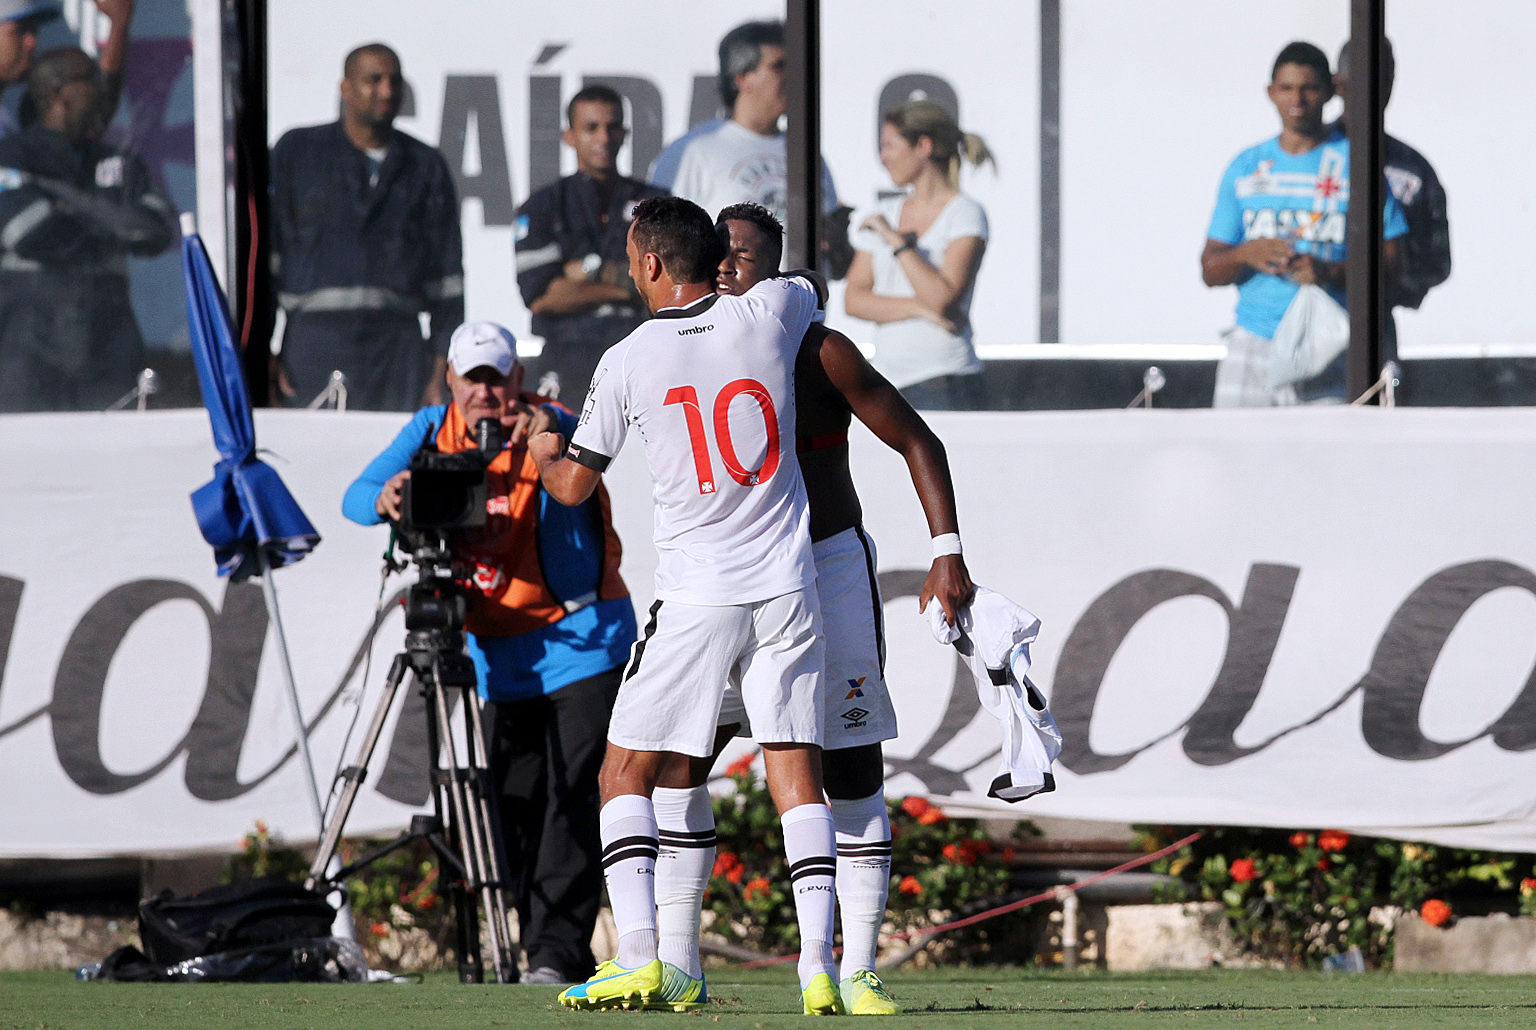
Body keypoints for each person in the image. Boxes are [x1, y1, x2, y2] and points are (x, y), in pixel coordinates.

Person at [644, 202, 975, 1015]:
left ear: (780, 270)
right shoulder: (681, 349)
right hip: (719, 580)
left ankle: (853, 969)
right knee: (680, 760)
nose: (726, 268)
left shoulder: (817, 350)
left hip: (822, 570)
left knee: (850, 766)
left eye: (745, 257)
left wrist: (947, 550)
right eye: (718, 254)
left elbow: (917, 440)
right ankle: (679, 964)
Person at [528, 196, 844, 1014]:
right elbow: (807, 281)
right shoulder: (771, 311)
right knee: (796, 778)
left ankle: (638, 954)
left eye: (634, 259)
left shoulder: (628, 357)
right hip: (787, 588)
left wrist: (540, 453)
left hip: (700, 594)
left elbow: (572, 487)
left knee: (622, 772)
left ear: (655, 264)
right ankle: (819, 970)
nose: (632, 272)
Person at [341, 321, 638, 986]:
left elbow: (587, 451)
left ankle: (555, 951)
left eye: (494, 377)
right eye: (470, 378)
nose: (483, 391)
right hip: (498, 654)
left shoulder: (551, 420)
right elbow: (354, 500)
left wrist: (539, 438)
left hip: (581, 640)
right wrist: (390, 495)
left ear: (516, 379)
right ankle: (538, 945)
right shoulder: (427, 430)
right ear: (450, 378)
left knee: (569, 801)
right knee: (511, 801)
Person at [1202, 41, 1407, 406]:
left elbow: (1394, 263)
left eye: (1309, 88)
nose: (1297, 100)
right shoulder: (1247, 166)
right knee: (1236, 455)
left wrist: (1330, 271)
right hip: (1254, 338)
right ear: (1270, 93)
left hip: (1328, 341)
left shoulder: (1356, 163)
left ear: (1330, 90)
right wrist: (1247, 253)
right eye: (1286, 88)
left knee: (1324, 457)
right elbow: (1210, 269)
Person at [270, 42, 463, 411]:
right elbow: (266, 262)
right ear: (345, 88)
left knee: (394, 465)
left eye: (394, 81)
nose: (387, 91)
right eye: (373, 80)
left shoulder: (425, 165)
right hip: (312, 349)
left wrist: (440, 369)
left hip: (397, 350)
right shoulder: (297, 153)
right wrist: (261, 354)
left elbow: (448, 279)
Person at [0, 46, 174, 412]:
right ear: (58, 92)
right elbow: (28, 231)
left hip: (109, 348)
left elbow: (156, 229)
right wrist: (114, 220)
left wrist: (70, 209)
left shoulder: (118, 160)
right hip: (29, 349)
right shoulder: (13, 156)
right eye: (91, 81)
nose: (103, 91)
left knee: (118, 460)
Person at [514, 84, 665, 403]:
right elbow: (542, 296)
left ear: (625, 134)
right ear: (568, 136)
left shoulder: (657, 203)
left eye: (612, 127)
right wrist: (627, 284)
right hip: (566, 357)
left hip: (641, 354)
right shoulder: (542, 206)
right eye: (591, 128)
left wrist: (585, 274)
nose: (603, 138)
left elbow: (667, 284)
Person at [845, 100, 993, 410]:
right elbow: (854, 300)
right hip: (887, 382)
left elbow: (941, 298)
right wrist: (919, 309)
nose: (883, 157)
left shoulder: (965, 214)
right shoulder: (886, 212)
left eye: (889, 146)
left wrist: (895, 241)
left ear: (923, 146)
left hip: (944, 380)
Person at [649, 19, 837, 228]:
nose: (793, 77)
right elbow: (662, 237)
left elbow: (831, 230)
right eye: (779, 66)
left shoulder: (807, 154)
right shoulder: (693, 150)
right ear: (741, 78)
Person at [1333, 38, 1451, 358]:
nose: (1374, 89)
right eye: (1362, 78)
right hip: (1299, 318)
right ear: (1338, 84)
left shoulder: (1413, 170)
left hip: (1375, 326)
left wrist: (1385, 286)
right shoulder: (1312, 156)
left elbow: (1438, 260)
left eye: (1384, 78)